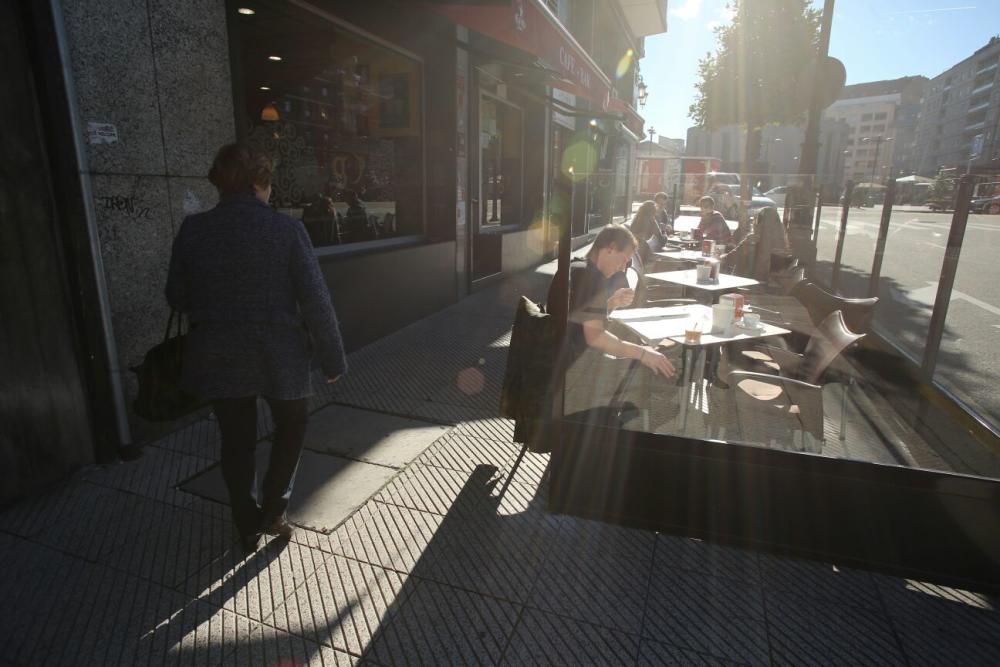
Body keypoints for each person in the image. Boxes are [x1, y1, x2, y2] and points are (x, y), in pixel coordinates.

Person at [166, 143, 347, 554]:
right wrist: (332, 358)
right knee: (292, 426)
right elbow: (315, 300)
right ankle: (274, 509)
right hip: (279, 354)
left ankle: (246, 522)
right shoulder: (285, 230)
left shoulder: (194, 230)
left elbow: (176, 295)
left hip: (219, 354)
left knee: (236, 439)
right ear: (259, 183)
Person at [552, 225, 676, 420]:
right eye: (624, 259)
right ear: (610, 248)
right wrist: (643, 353)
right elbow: (595, 337)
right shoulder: (592, 278)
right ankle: (629, 429)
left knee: (639, 356)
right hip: (575, 374)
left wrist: (611, 303)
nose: (623, 268)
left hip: (561, 362)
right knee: (650, 367)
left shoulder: (577, 268)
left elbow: (579, 320)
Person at [723, 206, 792, 281]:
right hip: (773, 286)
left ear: (758, 223)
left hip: (749, 284)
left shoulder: (753, 239)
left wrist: (721, 258)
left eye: (755, 220)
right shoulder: (783, 242)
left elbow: (733, 257)